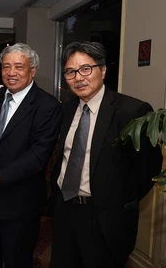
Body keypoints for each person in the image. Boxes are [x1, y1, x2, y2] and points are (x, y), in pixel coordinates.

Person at [50, 41, 163, 267]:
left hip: (105, 219)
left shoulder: (132, 111)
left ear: (102, 70)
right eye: (70, 72)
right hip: (65, 211)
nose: (78, 77)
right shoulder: (66, 109)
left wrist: (119, 202)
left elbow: (147, 169)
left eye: (85, 69)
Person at [0, 43, 62, 268]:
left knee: (17, 262)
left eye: (19, 67)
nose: (11, 73)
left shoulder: (47, 106)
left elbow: (39, 155)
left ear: (32, 71)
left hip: (19, 204)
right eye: (6, 67)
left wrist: (0, 176)